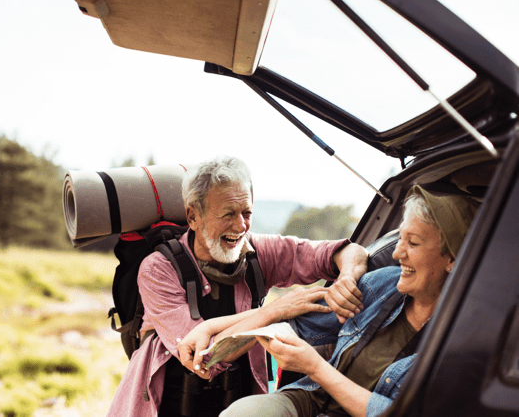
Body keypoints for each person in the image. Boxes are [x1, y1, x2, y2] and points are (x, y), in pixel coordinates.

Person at [178, 185, 479, 417]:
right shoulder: (384, 284)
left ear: (452, 257)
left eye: (413, 243)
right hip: (312, 399)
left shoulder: (468, 343)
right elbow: (295, 317)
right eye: (400, 239)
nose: (398, 253)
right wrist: (214, 328)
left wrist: (316, 367)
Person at [106, 156, 369, 417]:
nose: (241, 226)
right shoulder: (157, 269)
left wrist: (346, 277)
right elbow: (205, 358)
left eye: (247, 213)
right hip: (167, 404)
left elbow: (348, 251)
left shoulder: (259, 251)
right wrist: (276, 311)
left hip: (239, 400)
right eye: (228, 214)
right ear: (193, 217)